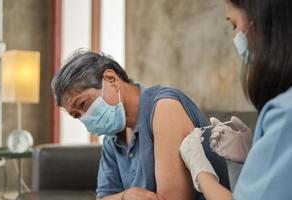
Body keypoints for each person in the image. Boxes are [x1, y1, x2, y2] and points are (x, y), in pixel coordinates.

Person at [51, 50, 230, 200]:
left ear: (111, 79)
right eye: (76, 116)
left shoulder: (165, 107)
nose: (85, 118)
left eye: (83, 104)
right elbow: (104, 197)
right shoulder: (113, 137)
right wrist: (124, 196)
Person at [180, 0, 292, 199]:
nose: (236, 36)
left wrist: (202, 172)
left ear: (258, 20)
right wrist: (253, 151)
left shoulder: (286, 114)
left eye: (234, 25)